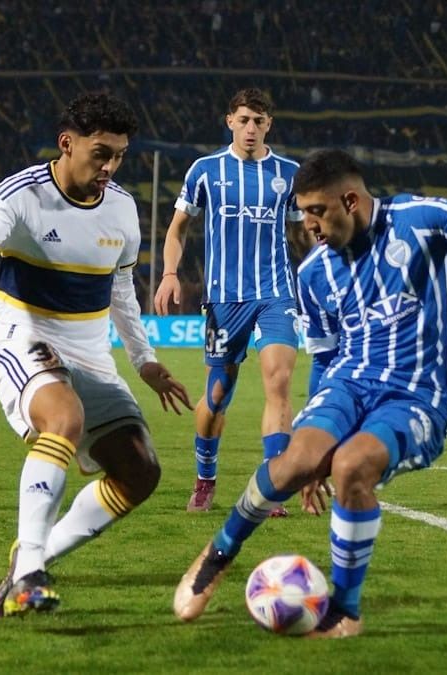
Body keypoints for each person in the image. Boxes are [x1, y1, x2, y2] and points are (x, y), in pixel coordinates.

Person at [172, 149, 447, 638]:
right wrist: (313, 432)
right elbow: (325, 358)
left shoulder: (419, 222)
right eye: (303, 211)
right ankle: (218, 554)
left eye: (316, 211)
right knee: (291, 462)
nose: (307, 224)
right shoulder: (313, 273)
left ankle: (345, 608)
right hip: (348, 384)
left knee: (351, 467)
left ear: (350, 200)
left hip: (419, 398)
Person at [0, 93, 192, 617]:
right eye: (101, 153)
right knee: (63, 417)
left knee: (139, 471)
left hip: (91, 351)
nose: (110, 166)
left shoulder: (121, 206)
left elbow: (121, 289)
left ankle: (28, 561)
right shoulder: (22, 194)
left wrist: (144, 360)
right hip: (24, 335)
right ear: (67, 143)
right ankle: (31, 570)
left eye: (119, 155)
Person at [153, 88, 303, 514]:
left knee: (279, 383)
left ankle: (271, 486)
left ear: (269, 124)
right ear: (229, 121)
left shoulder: (289, 174)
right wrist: (169, 274)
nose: (251, 128)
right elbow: (177, 228)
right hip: (225, 300)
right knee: (217, 397)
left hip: (275, 294)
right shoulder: (205, 171)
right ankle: (205, 478)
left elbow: (301, 232)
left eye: (259, 120)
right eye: (244, 120)